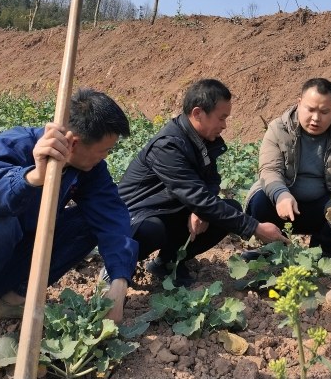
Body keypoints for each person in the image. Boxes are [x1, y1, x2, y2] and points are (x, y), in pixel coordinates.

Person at [0, 88, 138, 379]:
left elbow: (112, 219)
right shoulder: (16, 144)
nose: (106, 156)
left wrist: (118, 281)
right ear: (74, 142)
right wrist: (33, 177)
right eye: (105, 150)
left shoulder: (89, 169)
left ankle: (12, 298)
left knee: (88, 222)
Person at [117, 78, 287, 287]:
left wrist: (199, 210)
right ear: (198, 113)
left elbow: (211, 181)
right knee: (153, 229)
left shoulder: (202, 141)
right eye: (221, 118)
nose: (224, 125)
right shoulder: (168, 147)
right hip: (132, 218)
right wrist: (255, 227)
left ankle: (168, 263)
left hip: (166, 209)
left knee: (227, 209)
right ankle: (117, 265)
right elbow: (196, 196)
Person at [244, 77, 331, 259]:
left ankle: (322, 250)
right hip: (284, 206)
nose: (316, 118)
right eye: (310, 109)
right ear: (299, 103)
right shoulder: (279, 129)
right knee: (260, 201)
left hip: (322, 208)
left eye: (324, 112)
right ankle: (274, 250)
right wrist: (280, 194)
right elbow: (269, 170)